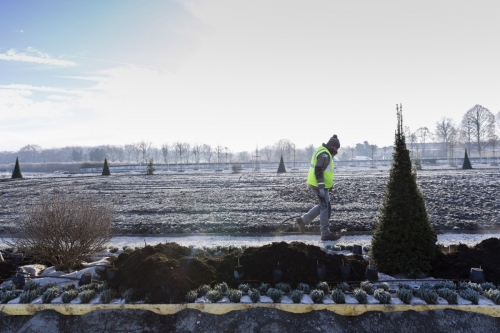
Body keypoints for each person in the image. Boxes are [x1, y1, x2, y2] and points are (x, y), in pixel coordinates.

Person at [297, 134, 341, 241]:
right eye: (335, 147)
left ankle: (303, 221)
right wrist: (321, 187)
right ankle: (325, 234)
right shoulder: (325, 155)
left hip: (319, 184)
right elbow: (318, 170)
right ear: (331, 145)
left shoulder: (323, 151)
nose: (336, 150)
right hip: (319, 185)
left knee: (325, 206)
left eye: (337, 148)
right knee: (325, 208)